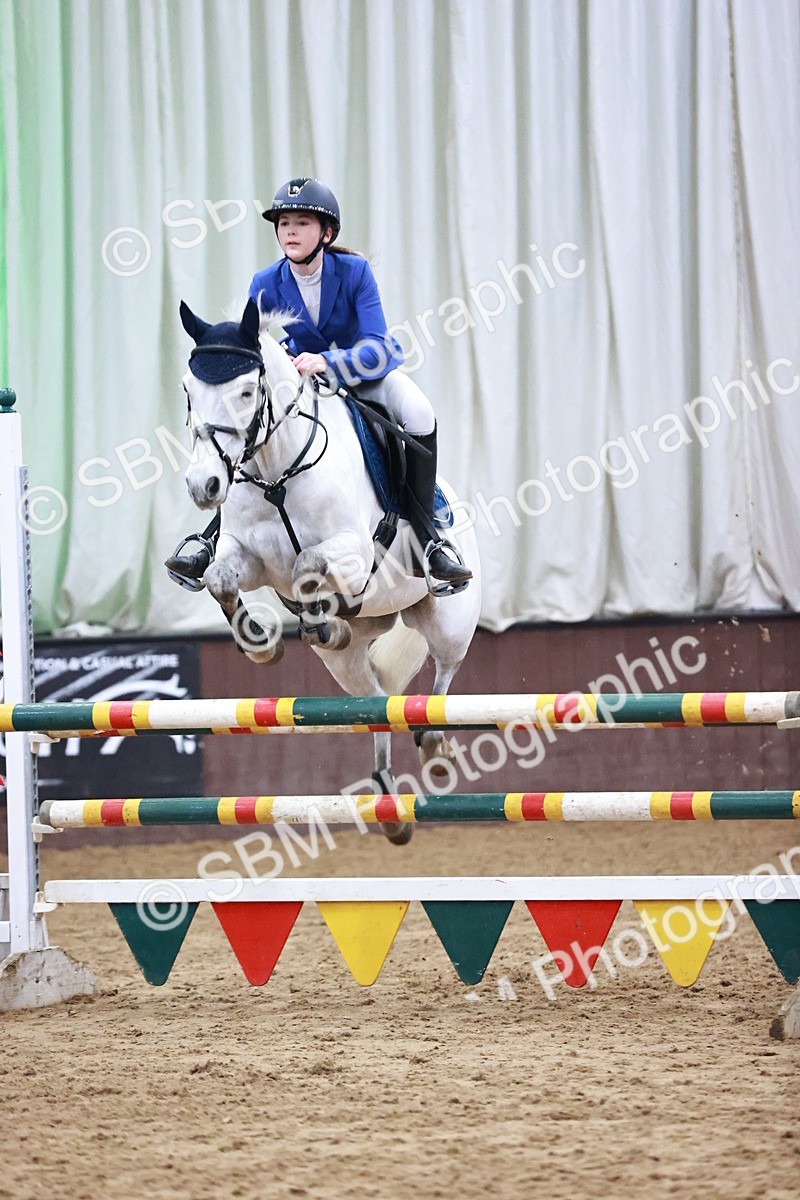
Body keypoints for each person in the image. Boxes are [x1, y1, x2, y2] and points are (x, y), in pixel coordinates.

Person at [166, 177, 471, 590]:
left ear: (326, 233)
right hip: (300, 386)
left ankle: (428, 537)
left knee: (418, 411)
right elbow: (260, 354)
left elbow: (381, 347)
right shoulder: (265, 283)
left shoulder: (354, 272)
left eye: (302, 223)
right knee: (252, 424)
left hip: (360, 376)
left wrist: (327, 361)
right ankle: (213, 535)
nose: (290, 231)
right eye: (284, 223)